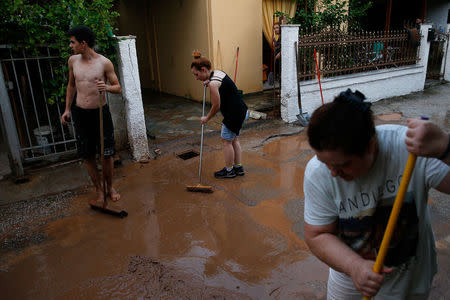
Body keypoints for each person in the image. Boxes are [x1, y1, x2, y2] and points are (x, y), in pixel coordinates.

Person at [303, 89, 450, 299]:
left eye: (343, 165)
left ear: (371, 145)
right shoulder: (318, 172)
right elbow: (317, 234)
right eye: (326, 163)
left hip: (410, 279)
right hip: (350, 281)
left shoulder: (410, 150)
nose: (333, 174)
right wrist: (354, 267)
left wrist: (445, 147)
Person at [61, 25, 122, 205]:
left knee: (106, 155)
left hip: (100, 114)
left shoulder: (104, 63)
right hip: (80, 114)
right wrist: (66, 109)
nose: (70, 46)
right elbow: (71, 85)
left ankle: (110, 186)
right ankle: (99, 189)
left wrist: (107, 87)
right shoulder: (72, 61)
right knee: (87, 155)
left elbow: (118, 87)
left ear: (83, 43)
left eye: (73, 42)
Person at [190, 51, 248, 179]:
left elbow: (216, 106)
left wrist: (207, 118)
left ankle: (229, 171)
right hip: (241, 110)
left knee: (226, 141)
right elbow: (215, 81)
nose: (196, 78)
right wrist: (207, 81)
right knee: (234, 140)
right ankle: (238, 167)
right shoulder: (217, 73)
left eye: (196, 74)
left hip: (233, 114)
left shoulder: (213, 84)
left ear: (203, 69)